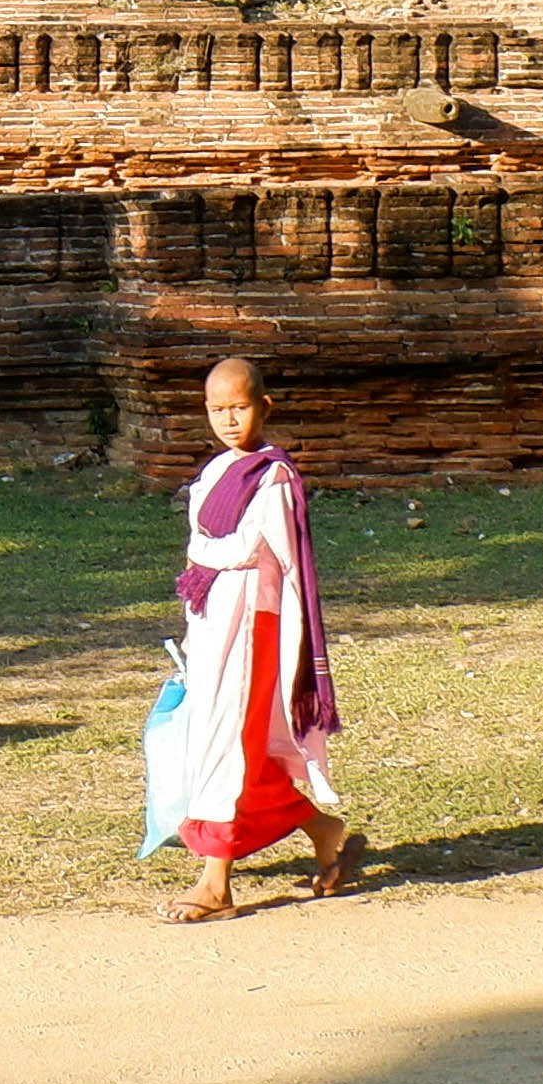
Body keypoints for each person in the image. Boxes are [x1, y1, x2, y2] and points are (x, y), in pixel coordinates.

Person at [143, 352, 360, 921]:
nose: (229, 420)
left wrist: (201, 551)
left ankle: (215, 883)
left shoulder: (274, 476)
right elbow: (204, 537)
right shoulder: (216, 471)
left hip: (254, 623)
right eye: (217, 409)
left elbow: (245, 548)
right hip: (212, 617)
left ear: (264, 406)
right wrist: (204, 554)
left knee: (226, 742)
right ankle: (322, 827)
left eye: (239, 407)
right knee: (226, 739)